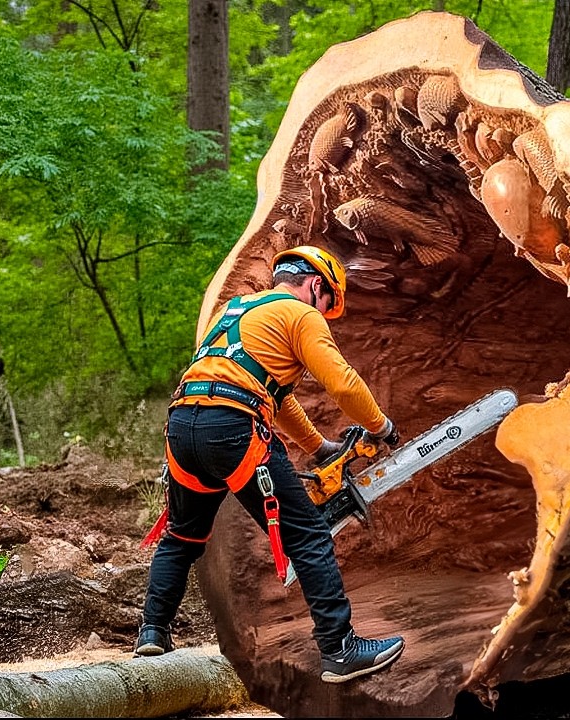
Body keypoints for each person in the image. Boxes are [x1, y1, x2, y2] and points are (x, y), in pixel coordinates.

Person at [135, 245, 405, 684]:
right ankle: (340, 650)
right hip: (234, 428)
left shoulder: (236, 311)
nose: (324, 310)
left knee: (181, 535)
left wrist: (319, 449)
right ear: (318, 285)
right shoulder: (301, 316)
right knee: (309, 535)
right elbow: (343, 383)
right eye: (326, 301)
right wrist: (381, 426)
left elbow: (276, 398)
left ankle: (152, 632)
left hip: (183, 426)